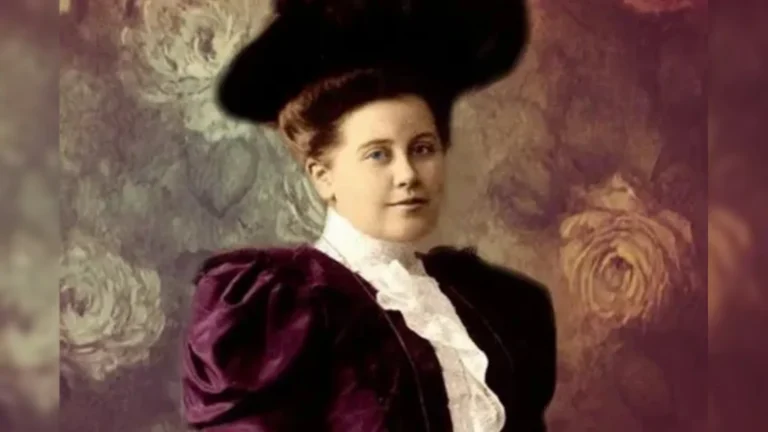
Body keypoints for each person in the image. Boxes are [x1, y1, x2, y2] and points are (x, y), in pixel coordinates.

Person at [181, 1, 556, 431]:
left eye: (423, 148)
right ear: (323, 176)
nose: (408, 175)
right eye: (378, 154)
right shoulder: (284, 312)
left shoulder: (487, 301)